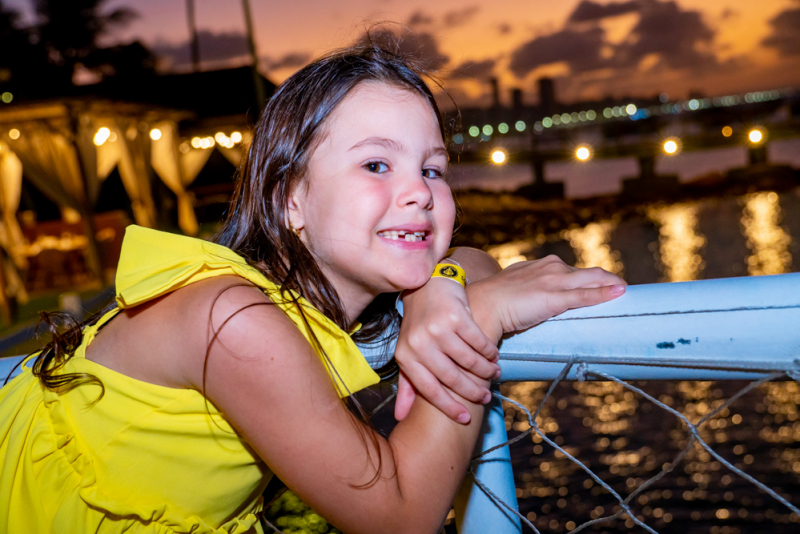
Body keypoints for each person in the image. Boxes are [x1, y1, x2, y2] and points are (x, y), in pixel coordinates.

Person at [0, 43, 626, 534]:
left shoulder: (296, 297)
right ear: (292, 199)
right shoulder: (234, 321)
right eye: (376, 164)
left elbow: (470, 255)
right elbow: (401, 516)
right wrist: (478, 321)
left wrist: (447, 286)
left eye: (432, 167)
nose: (419, 191)